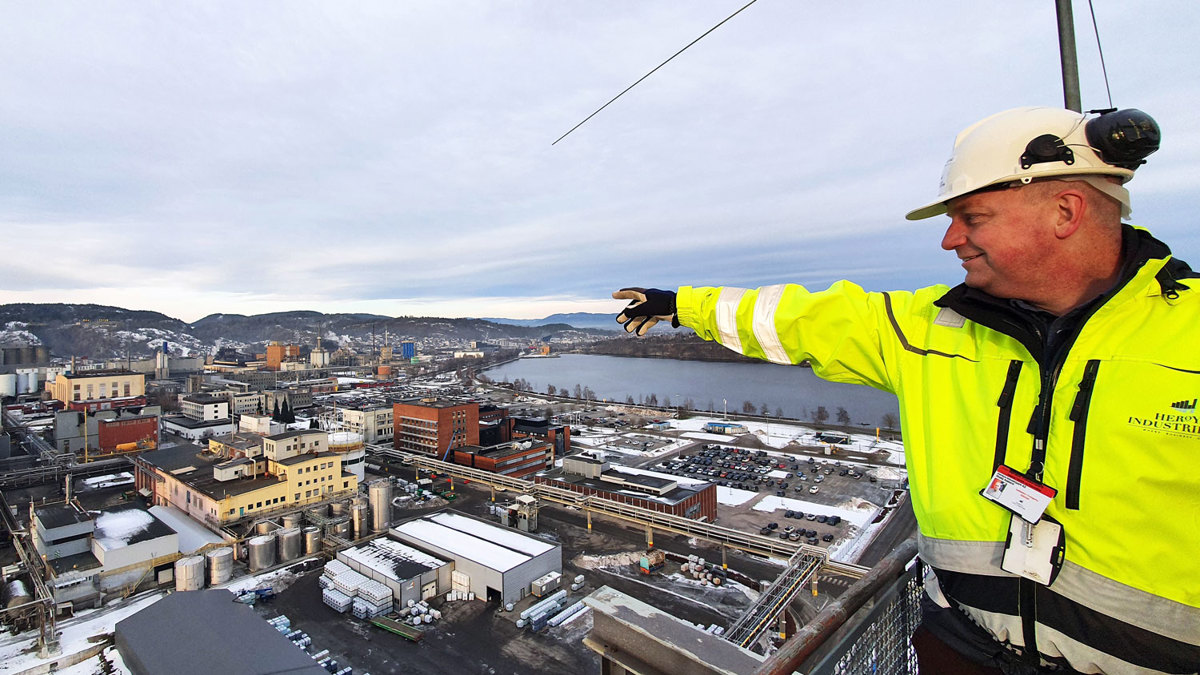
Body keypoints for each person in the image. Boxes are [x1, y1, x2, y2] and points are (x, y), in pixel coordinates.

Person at [613, 107, 1199, 674]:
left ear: (1065, 210)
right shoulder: (931, 328)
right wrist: (685, 305)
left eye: (973, 217)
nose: (951, 241)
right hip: (964, 650)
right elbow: (808, 318)